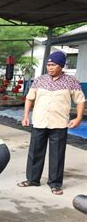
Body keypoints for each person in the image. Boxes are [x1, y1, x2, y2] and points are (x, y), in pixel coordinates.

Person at [18, 51, 85, 195]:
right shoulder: (40, 80)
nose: (50, 67)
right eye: (48, 65)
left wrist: (78, 118)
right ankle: (32, 179)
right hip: (40, 122)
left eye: (53, 65)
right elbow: (30, 98)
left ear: (61, 65)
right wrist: (26, 115)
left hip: (59, 124)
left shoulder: (71, 81)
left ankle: (55, 184)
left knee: (57, 155)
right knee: (35, 152)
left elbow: (80, 100)